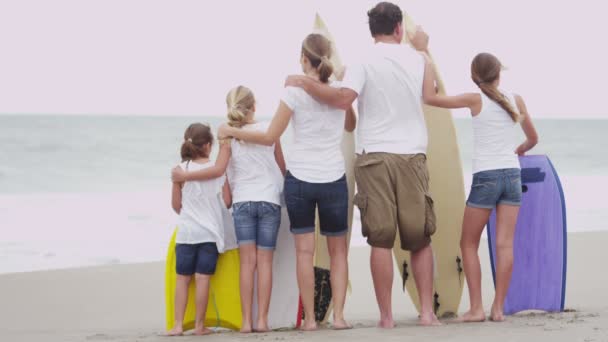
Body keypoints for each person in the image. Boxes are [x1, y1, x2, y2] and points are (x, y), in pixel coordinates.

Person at [283, 2, 438, 327]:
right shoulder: (419, 59)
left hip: (373, 157)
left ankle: (386, 318)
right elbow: (429, 96)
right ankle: (427, 313)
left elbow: (342, 100)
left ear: (372, 31)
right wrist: (424, 50)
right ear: (399, 28)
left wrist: (304, 83)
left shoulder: (362, 61)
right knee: (420, 238)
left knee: (380, 239)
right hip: (412, 154)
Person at [219, 33, 356, 330]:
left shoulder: (294, 92)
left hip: (301, 180)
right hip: (333, 178)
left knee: (305, 253)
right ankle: (340, 317)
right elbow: (351, 125)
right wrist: (339, 92)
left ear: (303, 59)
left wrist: (231, 132)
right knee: (338, 252)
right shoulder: (339, 92)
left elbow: (270, 136)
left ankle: (309, 320)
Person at [421, 52, 538, 322]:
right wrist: (516, 151)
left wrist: (426, 58)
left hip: (486, 176)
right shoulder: (516, 99)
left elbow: (430, 98)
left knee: (468, 244)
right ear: (499, 73)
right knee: (504, 245)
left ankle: (476, 308)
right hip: (511, 175)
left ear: (474, 77)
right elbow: (532, 138)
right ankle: (498, 309)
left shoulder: (475, 99)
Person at [173, 86, 286, 333]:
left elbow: (219, 170)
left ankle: (246, 322)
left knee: (247, 264)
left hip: (243, 203)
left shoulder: (227, 138)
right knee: (264, 262)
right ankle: (262, 321)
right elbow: (281, 168)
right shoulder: (269, 130)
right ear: (254, 106)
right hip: (269, 200)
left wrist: (185, 176)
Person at [167, 123, 232, 336]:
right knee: (203, 278)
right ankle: (199, 326)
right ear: (208, 145)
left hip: (186, 233)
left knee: (182, 279)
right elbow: (228, 201)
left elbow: (176, 206)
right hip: (209, 234)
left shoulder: (180, 170)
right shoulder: (216, 169)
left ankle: (177, 325)